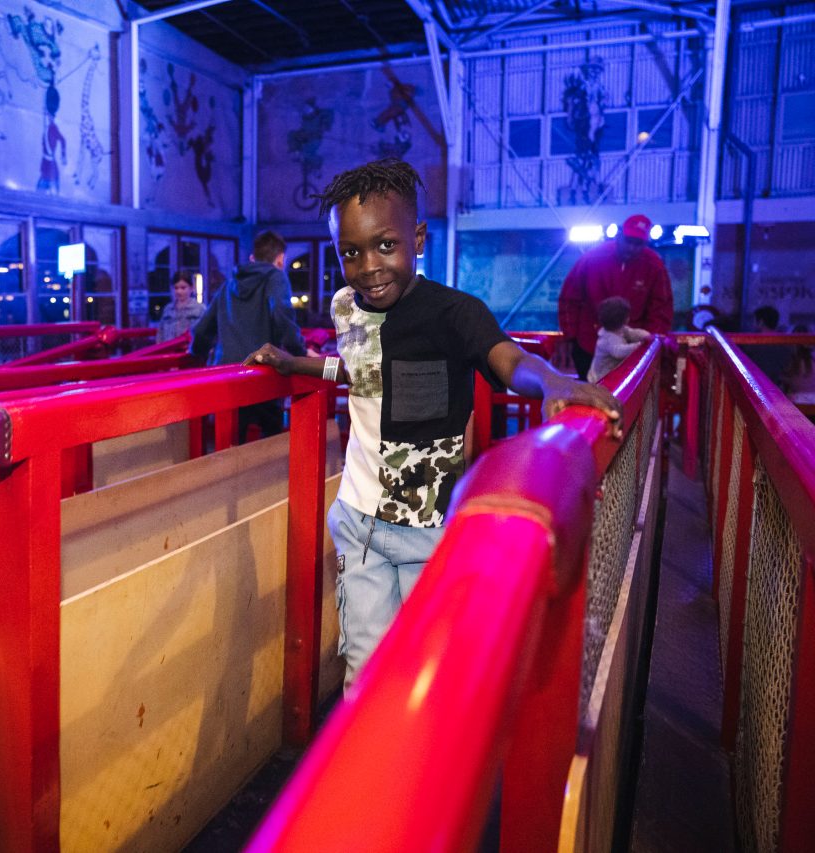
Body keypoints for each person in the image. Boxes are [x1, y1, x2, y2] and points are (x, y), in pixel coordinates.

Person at [243, 158, 621, 689]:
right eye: (351, 252)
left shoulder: (454, 313)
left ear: (417, 239)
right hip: (358, 521)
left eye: (385, 245)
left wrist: (551, 381)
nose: (369, 267)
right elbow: (359, 370)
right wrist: (293, 363)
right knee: (365, 671)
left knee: (426, 667)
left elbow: (507, 359)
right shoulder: (347, 307)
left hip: (429, 529)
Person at [191, 230, 307, 442]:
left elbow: (201, 330)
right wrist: (301, 353)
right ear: (280, 259)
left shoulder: (229, 284)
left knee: (230, 445)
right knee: (271, 444)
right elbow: (283, 316)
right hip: (262, 372)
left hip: (227, 374)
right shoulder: (276, 277)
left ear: (253, 257)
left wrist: (195, 356)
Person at [557, 214, 673, 380]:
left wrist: (650, 343)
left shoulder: (654, 265)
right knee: (589, 390)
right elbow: (570, 298)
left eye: (638, 244)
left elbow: (661, 308)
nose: (632, 248)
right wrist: (569, 337)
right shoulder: (592, 258)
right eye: (629, 241)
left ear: (646, 243)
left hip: (632, 350)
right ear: (619, 236)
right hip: (588, 343)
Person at [587, 296, 652, 383]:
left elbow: (631, 332)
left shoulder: (618, 329)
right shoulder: (608, 339)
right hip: (600, 379)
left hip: (609, 373)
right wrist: (639, 345)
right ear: (625, 319)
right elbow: (619, 351)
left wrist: (646, 335)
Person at [741, 304, 791, 387]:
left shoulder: (752, 344)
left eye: (754, 320)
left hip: (757, 385)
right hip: (779, 388)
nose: (752, 323)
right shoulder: (786, 343)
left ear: (761, 322)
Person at [156, 271, 205, 342]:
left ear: (191, 288)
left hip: (190, 348)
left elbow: (206, 333)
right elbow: (160, 334)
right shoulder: (168, 309)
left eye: (183, 288)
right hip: (169, 348)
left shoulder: (200, 309)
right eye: (176, 288)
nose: (179, 291)